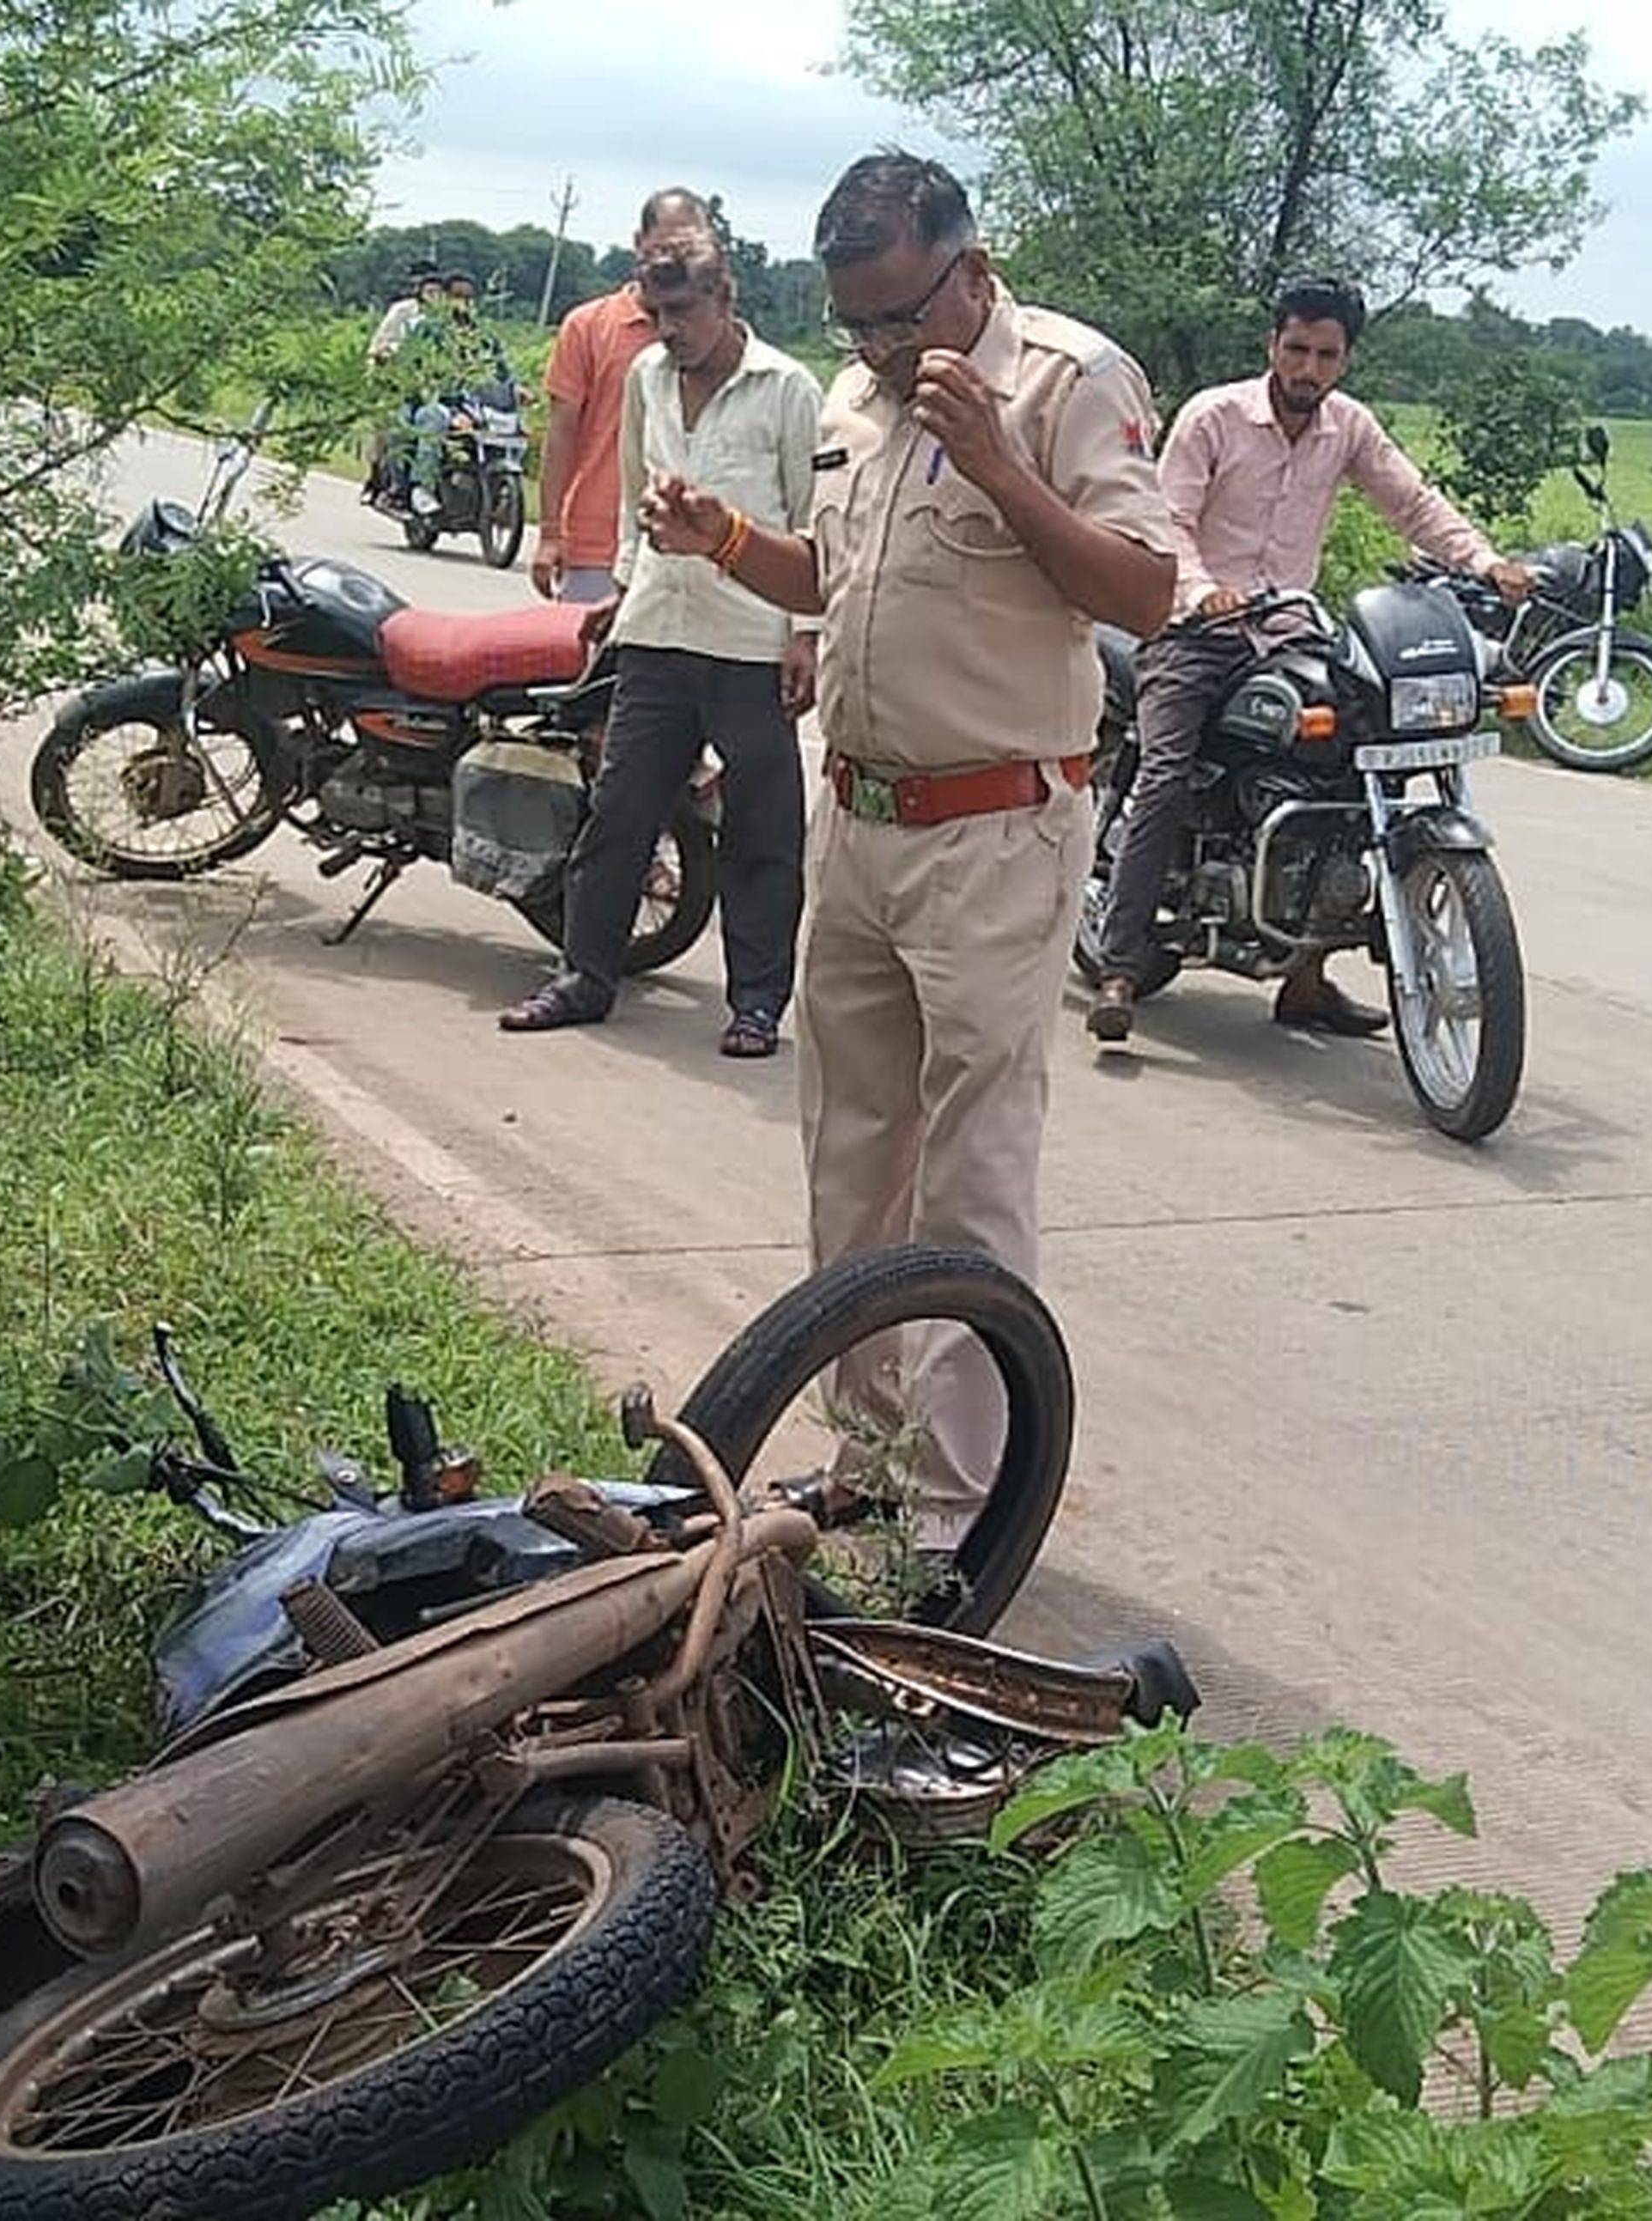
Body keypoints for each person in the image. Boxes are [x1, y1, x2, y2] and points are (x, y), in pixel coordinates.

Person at [635, 151, 1172, 1545]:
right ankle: (869, 1455)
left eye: (898, 316)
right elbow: (840, 578)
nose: (874, 347)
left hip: (997, 830)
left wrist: (999, 462)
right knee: (851, 1157)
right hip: (862, 822)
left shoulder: (1065, 384)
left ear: (970, 272)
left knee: (970, 1176)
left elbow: (1145, 591)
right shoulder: (859, 403)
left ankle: (955, 1509)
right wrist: (723, 538)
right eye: (854, 322)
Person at [1085, 274, 1532, 1043]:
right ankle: (1121, 966)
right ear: (1273, 344)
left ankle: (1305, 980)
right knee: (1165, 772)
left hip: (1290, 627)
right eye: (1297, 349)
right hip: (1193, 629)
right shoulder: (1214, 416)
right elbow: (1168, 520)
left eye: (1326, 355)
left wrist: (1485, 562)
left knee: (1348, 760)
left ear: (1345, 359)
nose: (1308, 368)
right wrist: (1203, 591)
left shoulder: (1348, 426)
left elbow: (1412, 503)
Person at [499, 231, 823, 1056]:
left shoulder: (787, 387)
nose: (669, 329)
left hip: (750, 639)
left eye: (683, 311)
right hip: (656, 630)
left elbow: (813, 519)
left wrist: (808, 635)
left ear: (725, 300)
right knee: (619, 814)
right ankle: (584, 976)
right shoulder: (646, 375)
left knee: (761, 832)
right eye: (656, 312)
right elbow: (635, 499)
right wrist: (621, 585)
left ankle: (757, 1004)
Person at [532, 188, 709, 605]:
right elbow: (561, 435)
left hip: (687, 550)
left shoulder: (715, 338)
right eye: (666, 246)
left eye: (690, 248)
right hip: (597, 546)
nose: (676, 260)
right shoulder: (588, 327)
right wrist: (550, 534)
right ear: (638, 243)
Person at [393, 272, 512, 509]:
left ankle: (498, 490)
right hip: (431, 402)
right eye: (457, 296)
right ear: (445, 298)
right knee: (434, 418)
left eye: (468, 297)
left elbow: (502, 371)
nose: (463, 303)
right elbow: (408, 365)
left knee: (510, 429)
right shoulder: (427, 329)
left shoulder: (484, 336)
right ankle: (422, 487)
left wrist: (517, 389)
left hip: (472, 405)